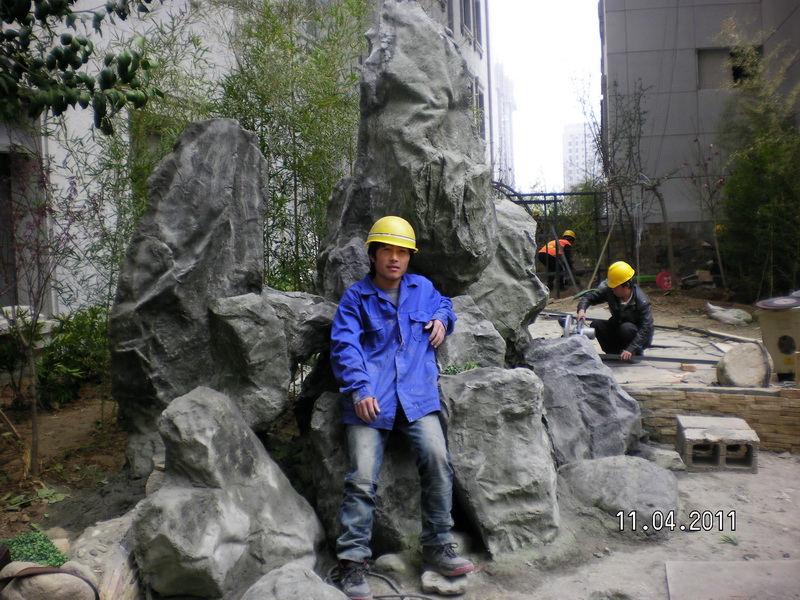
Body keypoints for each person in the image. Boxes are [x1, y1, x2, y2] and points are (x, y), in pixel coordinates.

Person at [330, 216, 474, 600]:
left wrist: (444, 318)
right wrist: (359, 390)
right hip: (370, 401)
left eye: (402, 252)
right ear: (373, 255)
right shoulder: (355, 299)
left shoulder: (422, 289)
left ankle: (437, 546)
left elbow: (445, 304)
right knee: (361, 476)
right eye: (387, 250)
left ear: (409, 257)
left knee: (437, 460)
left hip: (415, 397)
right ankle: (352, 562)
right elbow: (344, 346)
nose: (395, 258)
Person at [576, 260, 654, 361]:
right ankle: (614, 353)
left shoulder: (641, 301)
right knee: (597, 325)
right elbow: (590, 297)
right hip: (618, 327)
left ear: (627, 285)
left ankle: (635, 354)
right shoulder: (611, 292)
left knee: (626, 327)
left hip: (637, 338)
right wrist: (582, 309)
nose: (612, 289)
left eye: (615, 287)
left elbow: (646, 328)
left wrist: (631, 348)